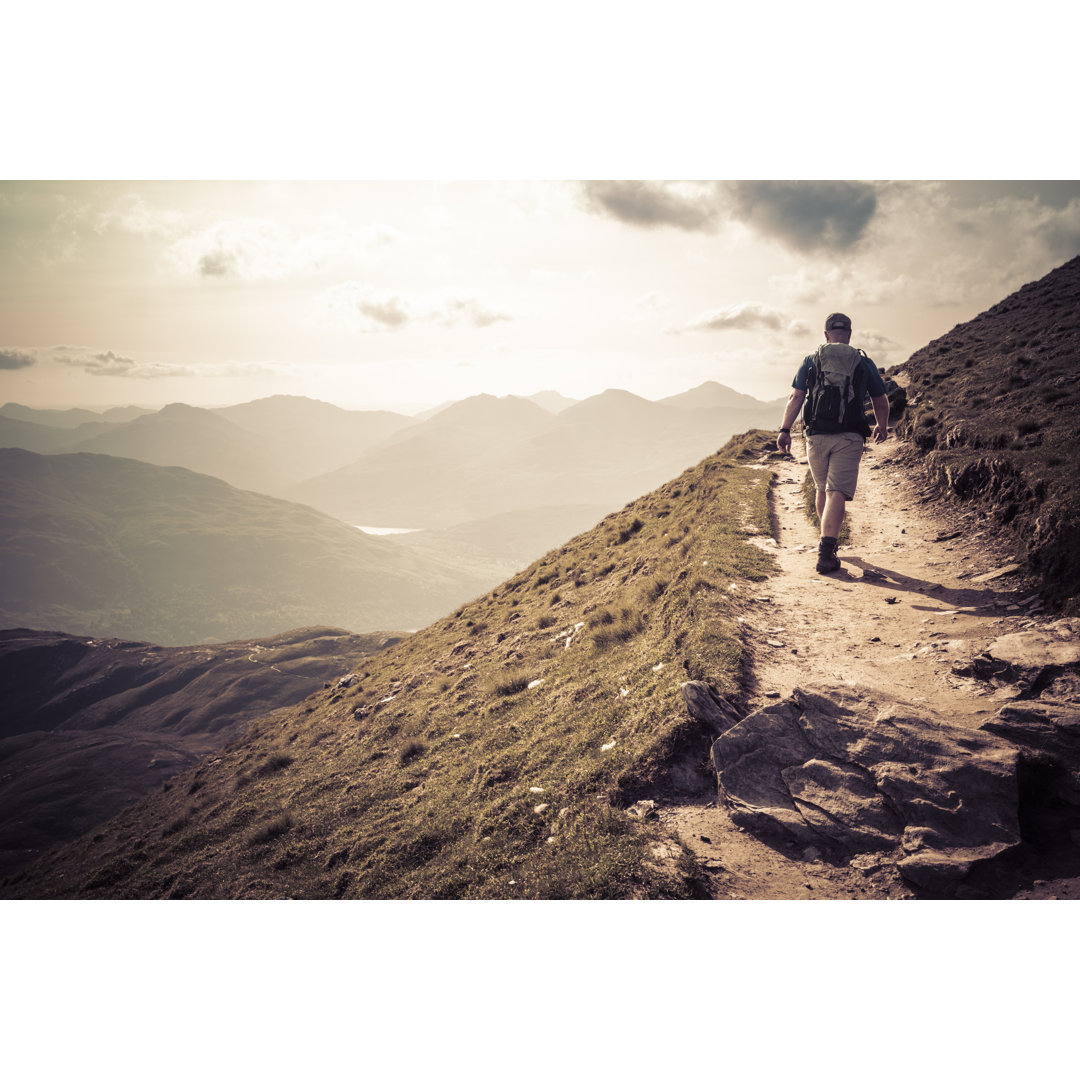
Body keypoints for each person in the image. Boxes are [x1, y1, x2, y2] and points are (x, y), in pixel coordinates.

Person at [776, 312, 890, 574]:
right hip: (850, 435)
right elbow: (880, 399)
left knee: (821, 488)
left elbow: (796, 397)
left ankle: (826, 543)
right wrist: (881, 426)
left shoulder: (811, 359)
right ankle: (827, 552)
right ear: (849, 333)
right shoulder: (863, 362)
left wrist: (784, 430)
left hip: (816, 434)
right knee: (836, 490)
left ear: (826, 334)